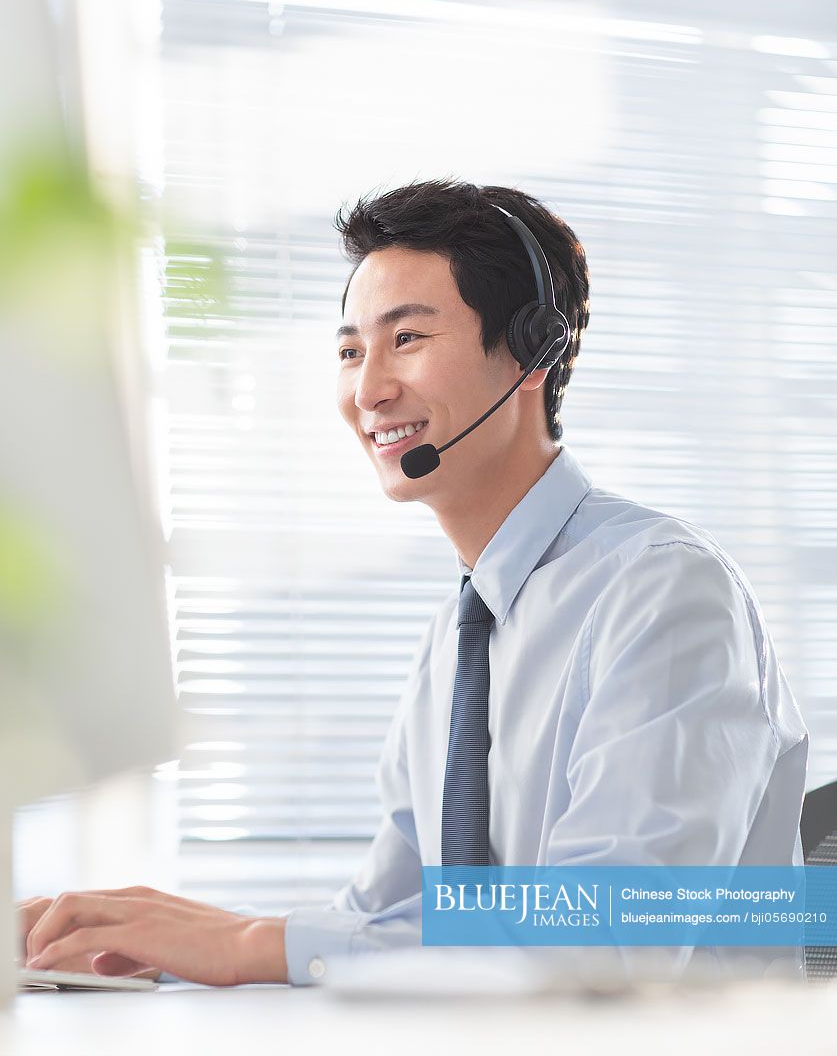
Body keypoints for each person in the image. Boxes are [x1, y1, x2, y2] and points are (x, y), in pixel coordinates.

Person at [18, 179, 808, 987]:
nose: (367, 391)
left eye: (407, 339)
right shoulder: (457, 639)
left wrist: (256, 941)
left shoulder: (663, 592)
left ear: (532, 352)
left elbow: (605, 941)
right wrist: (153, 944)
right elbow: (388, 925)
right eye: (351, 351)